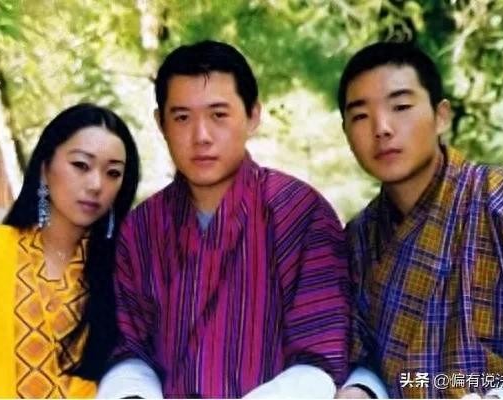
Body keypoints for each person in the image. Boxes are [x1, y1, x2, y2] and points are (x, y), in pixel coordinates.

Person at [97, 40, 350, 398]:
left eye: (218, 115)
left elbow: (320, 359)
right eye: (182, 117)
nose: (201, 136)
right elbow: (129, 349)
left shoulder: (299, 212)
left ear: (253, 116)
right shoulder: (142, 228)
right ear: (160, 123)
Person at [335, 41, 503, 398]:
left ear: (441, 116)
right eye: (360, 116)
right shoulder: (358, 239)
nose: (382, 128)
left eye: (401, 107)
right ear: (345, 132)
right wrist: (360, 390)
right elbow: (362, 358)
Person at [0, 103, 140, 398]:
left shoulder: (123, 274)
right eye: (81, 165)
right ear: (44, 168)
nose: (96, 184)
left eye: (113, 173)